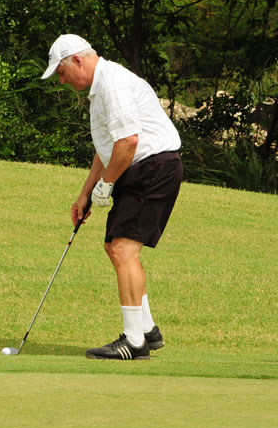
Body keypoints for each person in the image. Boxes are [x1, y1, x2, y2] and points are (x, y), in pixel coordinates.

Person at [40, 34, 184, 360]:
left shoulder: (112, 84)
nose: (62, 81)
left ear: (78, 60)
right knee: (115, 247)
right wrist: (86, 193)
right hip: (142, 169)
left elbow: (129, 142)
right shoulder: (100, 89)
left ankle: (134, 341)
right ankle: (146, 329)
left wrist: (106, 185)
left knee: (123, 249)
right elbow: (107, 148)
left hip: (153, 167)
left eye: (61, 73)